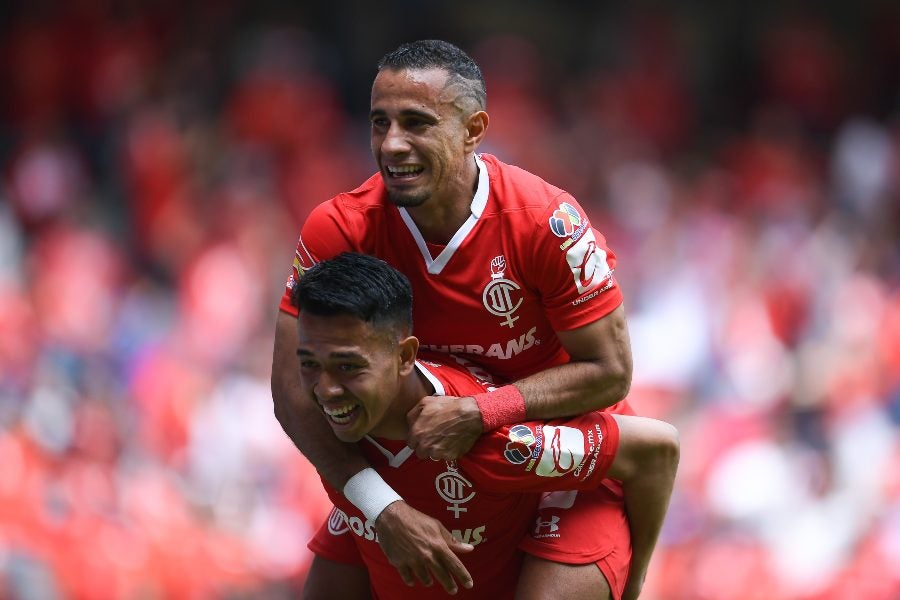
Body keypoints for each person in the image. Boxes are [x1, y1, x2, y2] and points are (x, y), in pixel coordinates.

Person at [271, 40, 646, 598]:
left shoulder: (547, 223)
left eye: (416, 123)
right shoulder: (340, 230)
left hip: (550, 456)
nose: (392, 144)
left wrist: (482, 410)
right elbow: (292, 392)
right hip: (410, 465)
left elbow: (612, 372)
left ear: (473, 129)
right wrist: (382, 507)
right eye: (380, 123)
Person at [291, 253, 678, 599]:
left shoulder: (492, 446)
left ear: (405, 356)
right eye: (309, 363)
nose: (325, 390)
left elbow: (657, 447)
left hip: (556, 509)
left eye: (348, 367)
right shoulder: (320, 422)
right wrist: (382, 508)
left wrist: (635, 578)